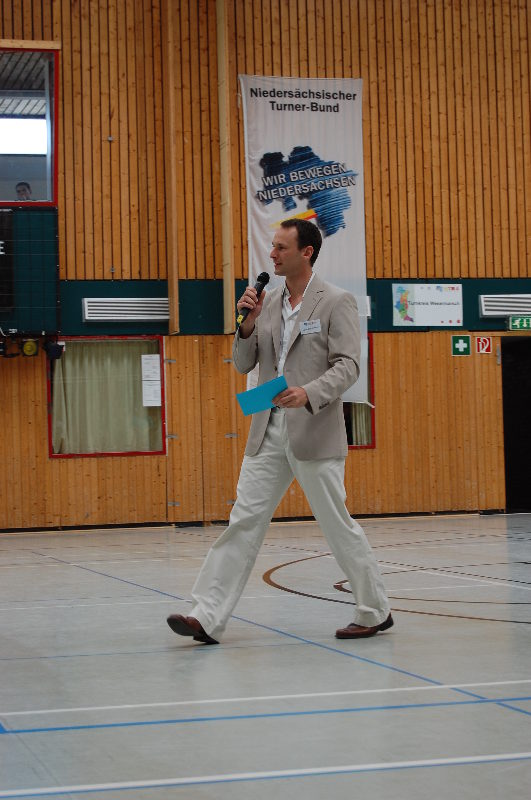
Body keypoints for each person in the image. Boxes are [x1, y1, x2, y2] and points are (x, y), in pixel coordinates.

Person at [167, 218, 392, 644]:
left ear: (306, 252)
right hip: (266, 428)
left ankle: (373, 609)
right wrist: (246, 324)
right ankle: (206, 615)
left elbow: (348, 366)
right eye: (271, 246)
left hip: (313, 428)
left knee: (336, 525)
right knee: (242, 521)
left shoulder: (336, 301)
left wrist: (309, 392)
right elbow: (243, 363)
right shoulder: (266, 302)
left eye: (281, 248)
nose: (272, 254)